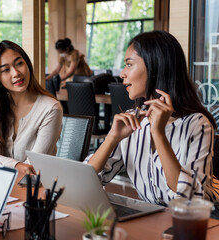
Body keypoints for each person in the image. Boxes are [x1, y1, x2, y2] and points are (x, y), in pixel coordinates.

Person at [87, 30, 219, 205]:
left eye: (129, 64)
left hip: (199, 223)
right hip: (153, 220)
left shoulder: (197, 124)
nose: (122, 74)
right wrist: (112, 138)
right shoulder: (131, 122)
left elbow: (189, 200)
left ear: (155, 67)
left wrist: (158, 134)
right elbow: (89, 180)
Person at [0, 40, 63, 174]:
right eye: (6, 70)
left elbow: (32, 167)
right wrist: (16, 165)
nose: (16, 73)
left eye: (19, 63)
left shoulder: (50, 108)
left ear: (27, 65)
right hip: (2, 182)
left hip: (36, 187)